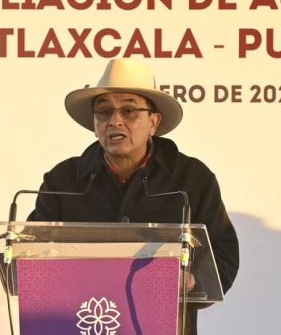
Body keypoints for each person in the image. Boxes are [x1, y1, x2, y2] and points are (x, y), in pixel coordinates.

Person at [28, 58, 239, 334]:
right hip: (79, 324)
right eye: (104, 112)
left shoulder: (192, 179)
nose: (115, 121)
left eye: (129, 111)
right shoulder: (62, 180)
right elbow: (29, 255)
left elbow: (223, 252)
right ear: (94, 123)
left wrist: (191, 280)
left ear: (153, 122)